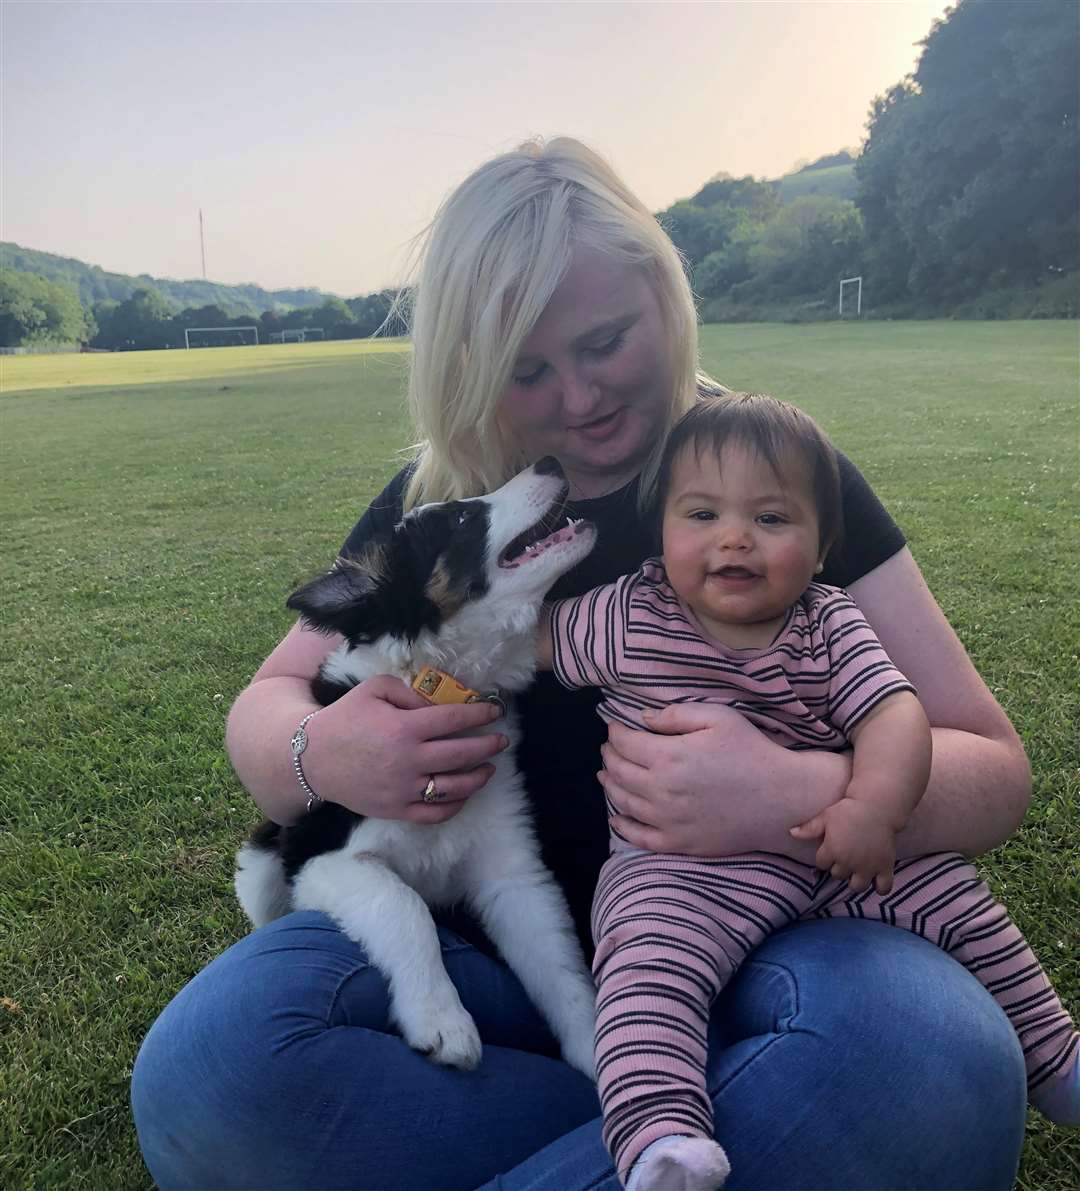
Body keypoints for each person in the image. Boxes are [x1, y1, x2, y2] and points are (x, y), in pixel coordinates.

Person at [131, 138, 1035, 1190]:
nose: (580, 398)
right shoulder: (445, 497)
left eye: (606, 341)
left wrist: (801, 791)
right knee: (215, 1071)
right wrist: (319, 750)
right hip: (502, 975)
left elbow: (994, 772)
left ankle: (676, 1120)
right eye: (527, 370)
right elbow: (268, 701)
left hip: (789, 950)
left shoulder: (769, 475)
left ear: (663, 292)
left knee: (935, 1062)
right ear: (471, 368)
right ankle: (663, 1121)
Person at [539, 393, 1079, 1190]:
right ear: (661, 531)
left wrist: (870, 809)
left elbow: (897, 714)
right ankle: (661, 1135)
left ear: (824, 546)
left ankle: (1060, 1063)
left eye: (771, 519)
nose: (734, 538)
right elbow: (534, 637)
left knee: (959, 902)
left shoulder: (828, 622)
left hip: (829, 848)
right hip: (678, 872)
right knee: (644, 967)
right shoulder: (626, 613)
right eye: (702, 513)